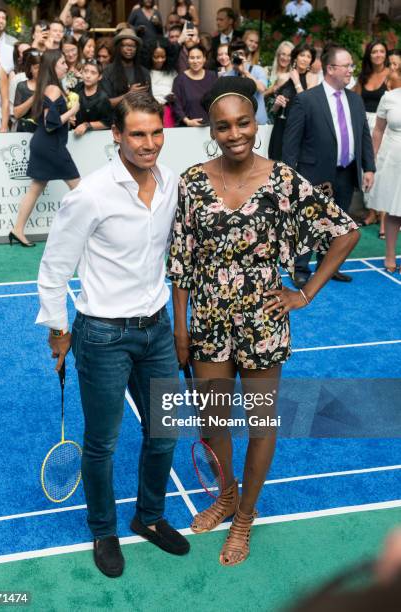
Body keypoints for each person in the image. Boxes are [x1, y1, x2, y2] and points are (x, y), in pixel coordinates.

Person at [167, 76, 359, 567]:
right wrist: (181, 326)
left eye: (243, 122)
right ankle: (226, 495)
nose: (235, 134)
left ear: (257, 122)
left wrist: (305, 293)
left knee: (259, 423)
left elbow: (345, 232)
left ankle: (245, 516)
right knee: (212, 424)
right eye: (223, 126)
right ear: (211, 130)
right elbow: (182, 259)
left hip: (263, 319)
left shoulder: (284, 180)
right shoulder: (191, 180)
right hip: (207, 317)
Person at [36, 91, 190, 578]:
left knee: (163, 432)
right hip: (102, 335)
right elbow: (53, 270)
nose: (150, 144)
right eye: (138, 134)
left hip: (157, 330)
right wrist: (60, 331)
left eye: (157, 133)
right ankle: (104, 529)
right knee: (102, 443)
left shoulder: (172, 184)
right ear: (117, 136)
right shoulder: (91, 195)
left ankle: (149, 517)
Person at [282, 44, 375, 287]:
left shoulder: (355, 100)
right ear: (331, 68)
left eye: (351, 66)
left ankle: (328, 266)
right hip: (313, 174)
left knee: (338, 223)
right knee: (308, 223)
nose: (351, 70)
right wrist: (290, 177)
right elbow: (291, 143)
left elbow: (364, 136)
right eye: (347, 66)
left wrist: (369, 168)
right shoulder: (306, 99)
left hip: (346, 173)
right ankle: (300, 268)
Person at [10, 49, 80, 247]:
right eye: (63, 63)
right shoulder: (53, 89)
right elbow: (51, 124)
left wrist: (66, 117)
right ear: (53, 66)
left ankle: (17, 230)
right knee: (79, 189)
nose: (67, 66)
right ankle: (85, 231)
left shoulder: (49, 88)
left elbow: (50, 119)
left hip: (44, 143)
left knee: (35, 188)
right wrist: (73, 111)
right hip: (51, 146)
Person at [367, 61, 401, 273]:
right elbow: (378, 130)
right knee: (394, 210)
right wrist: (371, 162)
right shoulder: (389, 97)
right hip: (393, 159)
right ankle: (390, 255)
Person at [355, 40, 390, 230]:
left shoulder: (391, 75)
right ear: (369, 55)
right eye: (374, 51)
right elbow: (354, 97)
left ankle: (381, 214)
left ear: (386, 54)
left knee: (381, 168)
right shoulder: (363, 76)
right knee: (366, 168)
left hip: (383, 127)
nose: (378, 54)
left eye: (381, 51)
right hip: (364, 125)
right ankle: (371, 211)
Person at [269, 43, 318, 160]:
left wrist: (296, 82)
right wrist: (277, 103)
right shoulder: (283, 77)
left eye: (308, 56)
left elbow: (307, 104)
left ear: (311, 61)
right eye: (302, 55)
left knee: (293, 167)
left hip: (300, 128)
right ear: (295, 57)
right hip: (281, 124)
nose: (305, 59)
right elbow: (273, 111)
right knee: (276, 164)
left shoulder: (313, 78)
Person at [101, 28, 151, 108]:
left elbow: (149, 101)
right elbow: (105, 103)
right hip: (116, 118)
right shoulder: (108, 71)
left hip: (139, 116)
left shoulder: (144, 72)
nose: (129, 49)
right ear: (119, 47)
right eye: (125, 45)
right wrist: (129, 95)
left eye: (133, 46)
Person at [221, 39, 268, 125]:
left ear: (246, 56)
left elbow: (262, 89)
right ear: (230, 58)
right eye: (235, 55)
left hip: (260, 123)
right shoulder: (226, 77)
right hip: (238, 124)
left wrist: (245, 72)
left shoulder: (258, 70)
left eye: (241, 54)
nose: (238, 57)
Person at [171, 43, 217, 127]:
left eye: (198, 57)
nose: (195, 61)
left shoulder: (213, 76)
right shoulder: (179, 80)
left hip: (211, 126)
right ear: (187, 60)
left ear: (204, 59)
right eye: (192, 58)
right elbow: (176, 105)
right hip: (188, 127)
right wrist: (187, 121)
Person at [73, 59, 112, 135]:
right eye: (85, 71)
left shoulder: (103, 97)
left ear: (99, 77)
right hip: (74, 134)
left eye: (93, 73)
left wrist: (87, 125)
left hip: (94, 136)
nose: (88, 76)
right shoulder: (77, 88)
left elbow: (107, 123)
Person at [144, 38, 177, 127]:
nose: (160, 60)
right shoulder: (145, 73)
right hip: (149, 111)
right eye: (156, 57)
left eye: (163, 57)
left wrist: (173, 97)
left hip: (168, 110)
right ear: (150, 56)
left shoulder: (173, 73)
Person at [13, 50, 41, 132]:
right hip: (24, 131)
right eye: (36, 68)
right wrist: (34, 97)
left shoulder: (51, 85)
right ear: (30, 69)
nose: (40, 71)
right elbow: (17, 114)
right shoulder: (22, 86)